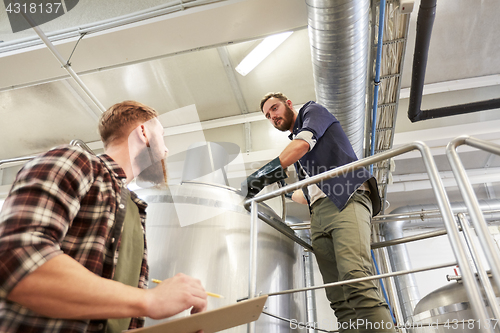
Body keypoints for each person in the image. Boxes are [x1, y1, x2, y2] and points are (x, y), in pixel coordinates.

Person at [0, 101, 207, 333]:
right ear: (143, 132)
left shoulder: (134, 208)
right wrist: (149, 300)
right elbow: (15, 256)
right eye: (162, 136)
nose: (166, 150)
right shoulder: (76, 161)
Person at [242, 93, 395, 333]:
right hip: (320, 213)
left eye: (275, 108)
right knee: (337, 295)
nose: (273, 116)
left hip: (346, 196)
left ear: (288, 104)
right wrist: (281, 191)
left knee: (355, 279)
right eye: (268, 115)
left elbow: (303, 143)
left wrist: (262, 176)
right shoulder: (300, 158)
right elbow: (306, 194)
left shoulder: (312, 113)